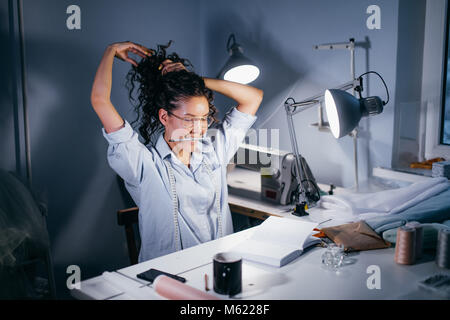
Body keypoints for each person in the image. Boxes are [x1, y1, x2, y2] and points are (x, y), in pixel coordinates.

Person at [90, 40, 263, 262]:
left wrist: (194, 80)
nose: (199, 128)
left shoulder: (215, 150)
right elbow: (100, 100)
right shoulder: (143, 163)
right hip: (168, 280)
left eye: (204, 118)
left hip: (217, 272)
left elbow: (253, 97)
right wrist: (110, 50)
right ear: (164, 117)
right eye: (189, 119)